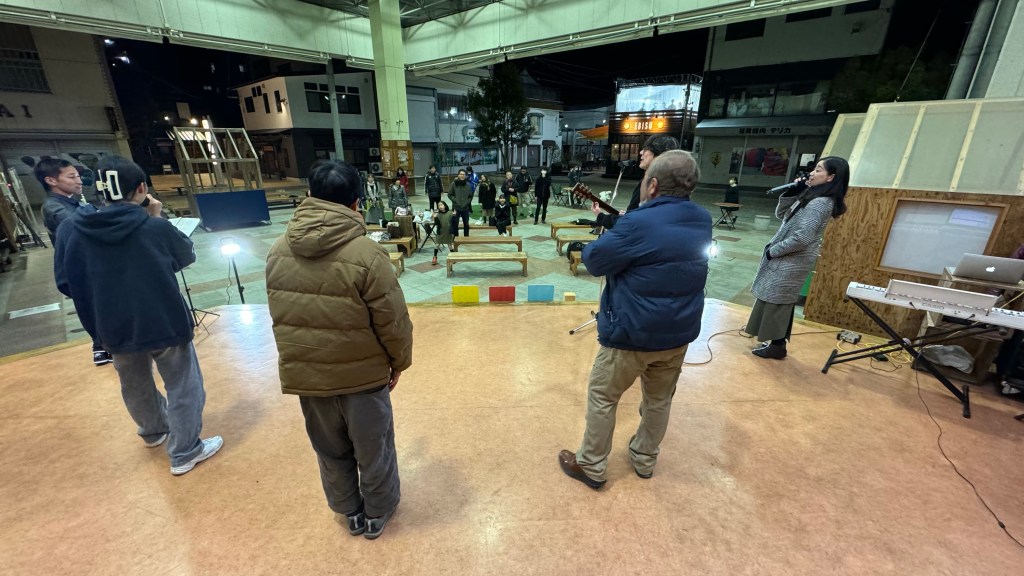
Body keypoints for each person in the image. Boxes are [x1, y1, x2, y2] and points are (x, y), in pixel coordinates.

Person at [265, 159, 413, 540]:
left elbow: (282, 315)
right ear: (356, 203)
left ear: (309, 195)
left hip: (309, 378)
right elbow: (392, 320)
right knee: (374, 448)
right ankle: (377, 512)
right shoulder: (367, 254)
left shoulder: (278, 251)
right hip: (362, 378)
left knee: (330, 450)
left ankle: (350, 511)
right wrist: (399, 361)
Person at [53, 155, 223, 476]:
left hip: (110, 324)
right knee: (182, 383)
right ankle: (185, 451)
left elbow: (65, 282)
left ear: (99, 189)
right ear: (142, 188)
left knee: (134, 382)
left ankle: (154, 430)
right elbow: (184, 256)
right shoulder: (153, 226)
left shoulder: (69, 229)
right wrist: (155, 215)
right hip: (163, 319)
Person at [558, 150, 710, 489]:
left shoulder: (638, 222)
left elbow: (595, 261)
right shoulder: (702, 219)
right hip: (678, 333)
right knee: (659, 400)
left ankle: (591, 465)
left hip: (633, 332)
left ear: (652, 185)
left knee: (603, 396)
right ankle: (644, 458)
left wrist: (616, 229)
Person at [746, 156, 849, 360]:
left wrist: (773, 251)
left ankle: (777, 346)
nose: (812, 173)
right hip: (787, 257)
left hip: (792, 259)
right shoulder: (812, 195)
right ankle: (775, 343)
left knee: (778, 301)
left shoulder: (820, 203)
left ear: (831, 177)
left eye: (818, 170)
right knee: (776, 299)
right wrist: (792, 192)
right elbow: (782, 215)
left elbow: (802, 237)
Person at [35, 158, 111, 366]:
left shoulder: (73, 203)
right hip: (80, 267)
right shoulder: (53, 207)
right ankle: (102, 345)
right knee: (92, 307)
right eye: (72, 177)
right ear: (51, 180)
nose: (79, 180)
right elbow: (79, 225)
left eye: (78, 176)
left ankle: (101, 346)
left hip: (89, 263)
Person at [591, 135, 678, 229]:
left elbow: (632, 223)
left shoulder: (652, 184)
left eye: (645, 149)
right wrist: (630, 213)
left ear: (658, 155)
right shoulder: (676, 182)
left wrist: (600, 216)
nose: (641, 152)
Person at [448, 169, 473, 237]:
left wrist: (467, 202)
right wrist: (455, 200)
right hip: (456, 207)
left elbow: (470, 196)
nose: (462, 175)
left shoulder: (468, 185)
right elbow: (449, 194)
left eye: (463, 174)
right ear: (458, 175)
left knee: (466, 224)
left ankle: (466, 237)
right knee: (455, 224)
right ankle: (456, 237)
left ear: (465, 176)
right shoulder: (453, 184)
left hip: (465, 208)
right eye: (461, 174)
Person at [431, 200, 454, 265]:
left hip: (448, 232)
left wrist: (454, 216)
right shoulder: (438, 214)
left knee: (450, 245)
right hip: (441, 231)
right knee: (437, 244)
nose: (440, 206)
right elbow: (437, 224)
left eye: (441, 205)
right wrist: (435, 218)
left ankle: (453, 257)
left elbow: (453, 221)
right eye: (439, 205)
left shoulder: (450, 213)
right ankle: (434, 257)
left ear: (445, 205)